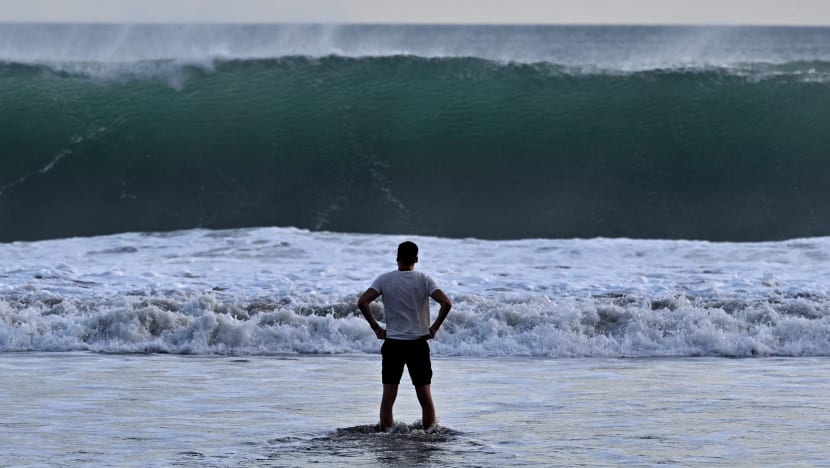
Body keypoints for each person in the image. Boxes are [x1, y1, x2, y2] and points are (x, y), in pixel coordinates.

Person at [357, 241, 452, 431]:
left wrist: (376, 327)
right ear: (416, 259)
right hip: (418, 344)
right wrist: (433, 328)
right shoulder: (424, 280)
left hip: (393, 344)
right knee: (424, 395)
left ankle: (386, 434)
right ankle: (430, 433)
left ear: (397, 258)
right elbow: (446, 303)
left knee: (389, 396)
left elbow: (363, 301)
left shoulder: (384, 280)